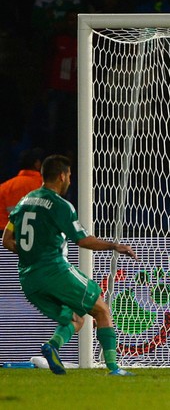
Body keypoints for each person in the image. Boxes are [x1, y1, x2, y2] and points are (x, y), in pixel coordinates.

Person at [2, 155, 138, 375]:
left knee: (76, 317)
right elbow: (83, 240)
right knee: (101, 309)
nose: (70, 181)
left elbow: (7, 240)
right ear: (62, 175)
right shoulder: (60, 205)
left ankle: (52, 346)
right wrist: (115, 245)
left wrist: (31, 252)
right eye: (70, 176)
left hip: (28, 279)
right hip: (53, 270)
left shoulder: (24, 202)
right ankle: (114, 368)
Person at [0, 148, 44, 230]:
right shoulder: (45, 186)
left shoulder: (4, 187)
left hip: (6, 236)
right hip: (36, 236)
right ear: (37, 163)